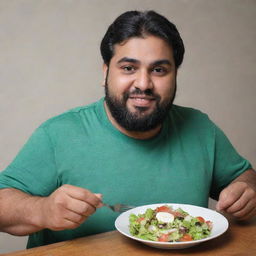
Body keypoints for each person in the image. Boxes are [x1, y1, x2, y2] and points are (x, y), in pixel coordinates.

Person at [0, 10, 255, 249]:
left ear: (175, 75)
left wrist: (247, 191)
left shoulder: (201, 128)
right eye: (128, 68)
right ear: (106, 72)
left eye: (158, 70)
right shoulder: (58, 134)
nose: (143, 84)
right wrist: (43, 210)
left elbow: (244, 178)